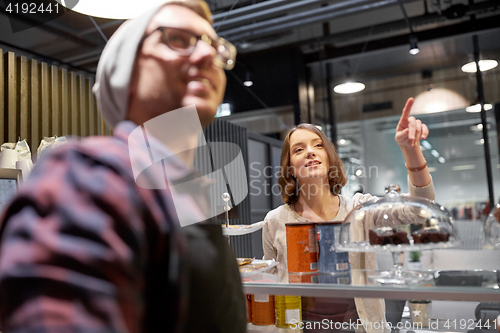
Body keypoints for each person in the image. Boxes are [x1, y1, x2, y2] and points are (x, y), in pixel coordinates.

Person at [0, 1, 246, 332]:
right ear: (126, 72)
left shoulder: (188, 191)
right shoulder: (89, 172)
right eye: (178, 38)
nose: (205, 55)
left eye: (213, 46)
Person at [262, 97, 435, 332]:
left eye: (318, 145)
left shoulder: (359, 209)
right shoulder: (275, 221)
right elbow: (273, 291)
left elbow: (419, 210)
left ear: (329, 157)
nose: (310, 152)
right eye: (299, 149)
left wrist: (411, 151)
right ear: (290, 168)